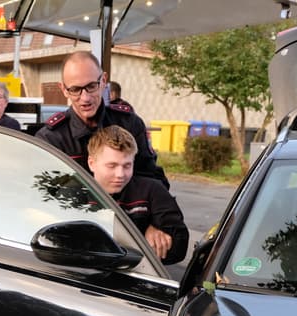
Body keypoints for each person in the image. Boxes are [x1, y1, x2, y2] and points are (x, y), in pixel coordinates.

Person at [35, 51, 169, 189]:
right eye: (75, 89)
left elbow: (151, 178)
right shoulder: (51, 138)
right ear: (64, 89)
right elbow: (44, 192)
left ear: (104, 81)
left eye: (91, 86)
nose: (85, 98)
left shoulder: (130, 124)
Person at [87, 126, 188, 265]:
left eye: (127, 166)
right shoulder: (78, 195)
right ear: (91, 163)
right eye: (112, 166)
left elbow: (179, 245)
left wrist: (157, 228)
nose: (120, 174)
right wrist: (141, 241)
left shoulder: (152, 190)